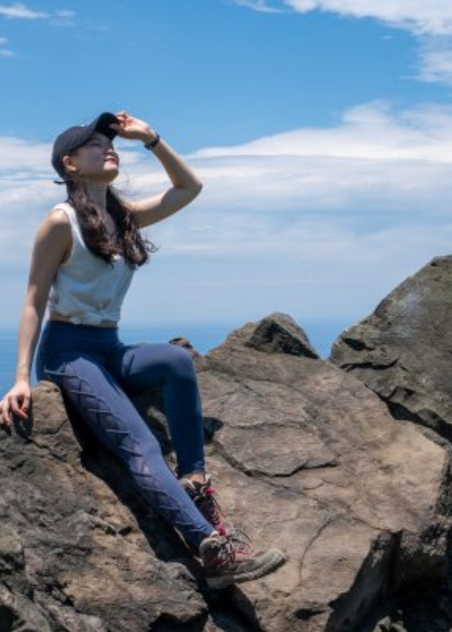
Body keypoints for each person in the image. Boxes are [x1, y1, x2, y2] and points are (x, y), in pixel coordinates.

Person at [0, 111, 286, 589]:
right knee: (142, 445)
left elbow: (189, 188)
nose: (109, 147)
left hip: (109, 346)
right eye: (95, 144)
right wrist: (22, 377)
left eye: (111, 143)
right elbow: (32, 301)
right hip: (70, 353)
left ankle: (194, 482)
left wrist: (152, 139)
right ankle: (212, 551)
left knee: (176, 361)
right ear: (70, 164)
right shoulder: (60, 221)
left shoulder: (122, 215)